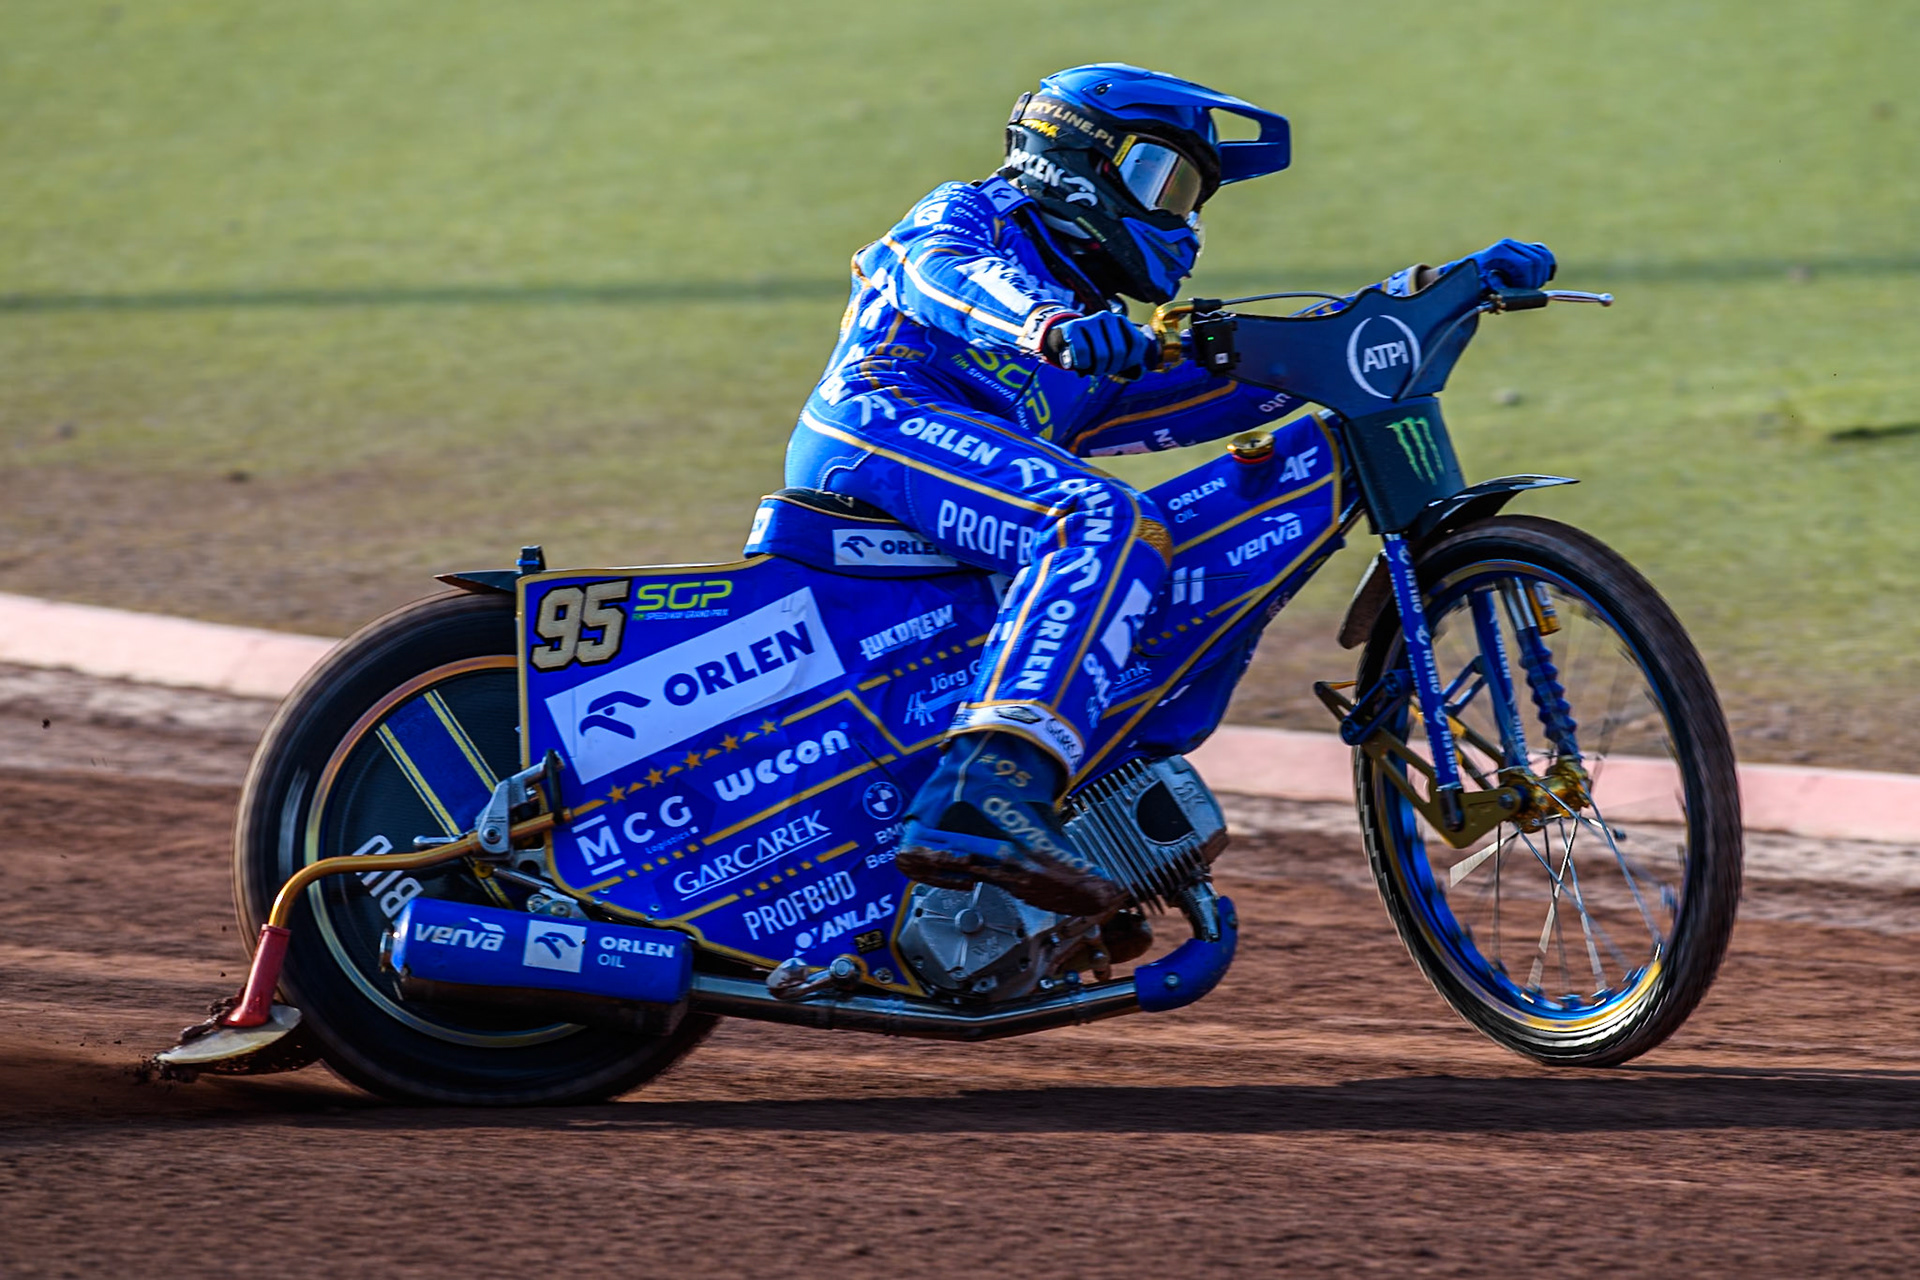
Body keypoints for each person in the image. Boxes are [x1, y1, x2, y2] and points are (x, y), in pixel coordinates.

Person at [784, 63, 1555, 918]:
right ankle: (984, 786)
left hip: (973, 476)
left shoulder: (1093, 326)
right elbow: (944, 275)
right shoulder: (968, 217)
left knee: (1203, 550)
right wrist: (1048, 325)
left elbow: (1223, 391)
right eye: (1164, 179)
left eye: (1194, 197)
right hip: (876, 428)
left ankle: (1080, 806)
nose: (1181, 218)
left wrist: (1423, 302)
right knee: (1101, 517)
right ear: (1069, 156)